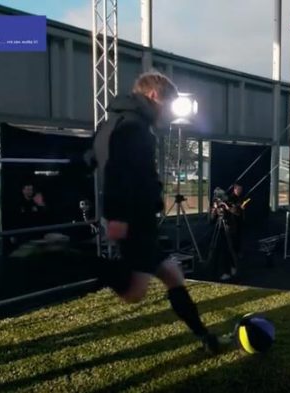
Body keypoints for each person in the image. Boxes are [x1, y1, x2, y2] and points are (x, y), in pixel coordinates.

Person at [90, 70, 221, 353]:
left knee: (173, 276)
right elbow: (115, 172)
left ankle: (205, 337)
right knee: (134, 294)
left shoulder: (116, 123)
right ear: (153, 96)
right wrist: (118, 216)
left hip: (140, 221)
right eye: (168, 104)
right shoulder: (131, 127)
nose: (169, 114)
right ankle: (70, 254)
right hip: (133, 222)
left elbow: (90, 156)